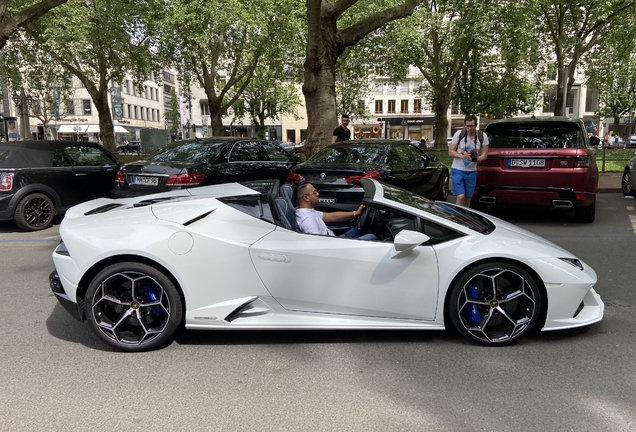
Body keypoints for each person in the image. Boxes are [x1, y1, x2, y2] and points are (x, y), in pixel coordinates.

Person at [295, 182, 375, 240]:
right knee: (372, 237)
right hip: (335, 246)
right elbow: (318, 245)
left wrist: (355, 213)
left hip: (335, 239)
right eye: (315, 192)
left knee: (361, 230)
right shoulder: (308, 220)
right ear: (306, 198)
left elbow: (332, 216)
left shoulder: (307, 211)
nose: (318, 194)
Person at [448, 114, 489, 207]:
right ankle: (457, 217)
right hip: (458, 169)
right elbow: (450, 152)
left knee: (468, 198)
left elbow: (485, 154)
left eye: (471, 126)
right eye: (467, 126)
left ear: (476, 125)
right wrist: (463, 156)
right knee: (461, 196)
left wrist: (477, 159)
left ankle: (465, 218)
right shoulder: (459, 134)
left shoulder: (482, 136)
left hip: (471, 172)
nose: (469, 128)